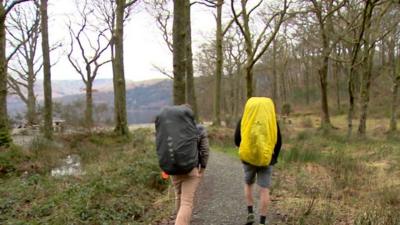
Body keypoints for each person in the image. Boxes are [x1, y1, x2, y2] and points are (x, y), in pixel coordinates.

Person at [155, 105, 209, 225]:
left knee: (178, 196)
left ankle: (176, 220)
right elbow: (204, 150)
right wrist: (203, 168)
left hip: (173, 168)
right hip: (191, 169)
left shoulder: (171, 131)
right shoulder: (198, 129)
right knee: (187, 202)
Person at [234, 97, 282, 225]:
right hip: (267, 159)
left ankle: (250, 213)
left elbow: (237, 139)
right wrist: (273, 157)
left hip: (248, 159)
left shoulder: (244, 119)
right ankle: (262, 221)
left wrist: (243, 150)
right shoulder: (272, 121)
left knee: (248, 183)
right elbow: (278, 141)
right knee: (264, 189)